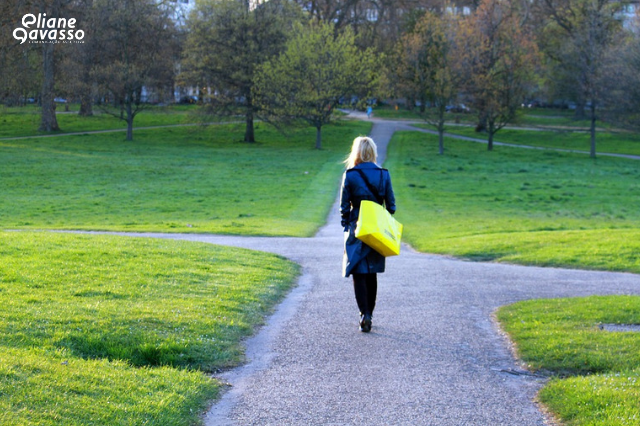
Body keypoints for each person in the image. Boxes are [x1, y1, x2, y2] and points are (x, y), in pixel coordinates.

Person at [340, 136, 396, 332]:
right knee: (371, 272)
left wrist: (347, 225)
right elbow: (392, 206)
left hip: (357, 227)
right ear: (372, 152)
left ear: (356, 152)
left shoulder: (350, 175)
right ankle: (369, 314)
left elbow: (344, 208)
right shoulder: (383, 175)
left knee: (357, 271)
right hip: (376, 228)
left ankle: (364, 313)